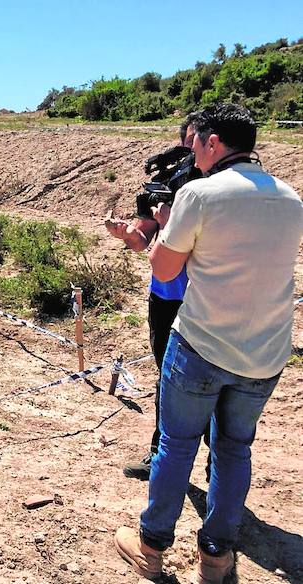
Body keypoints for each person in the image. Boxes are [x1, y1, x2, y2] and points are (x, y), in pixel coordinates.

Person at [114, 104, 303, 583]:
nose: (190, 150)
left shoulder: (198, 194)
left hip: (201, 342)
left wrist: (163, 220)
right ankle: (217, 555)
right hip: (266, 352)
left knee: (176, 447)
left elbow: (164, 269)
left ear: (213, 143)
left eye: (195, 141)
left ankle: (152, 544)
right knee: (235, 449)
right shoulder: (291, 198)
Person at [105, 116, 200, 480]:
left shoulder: (216, 188)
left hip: (202, 294)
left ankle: (208, 462)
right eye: (189, 139)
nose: (193, 148)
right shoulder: (169, 180)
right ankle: (159, 452)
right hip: (165, 295)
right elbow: (144, 239)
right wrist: (126, 234)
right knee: (166, 374)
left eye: (199, 140)